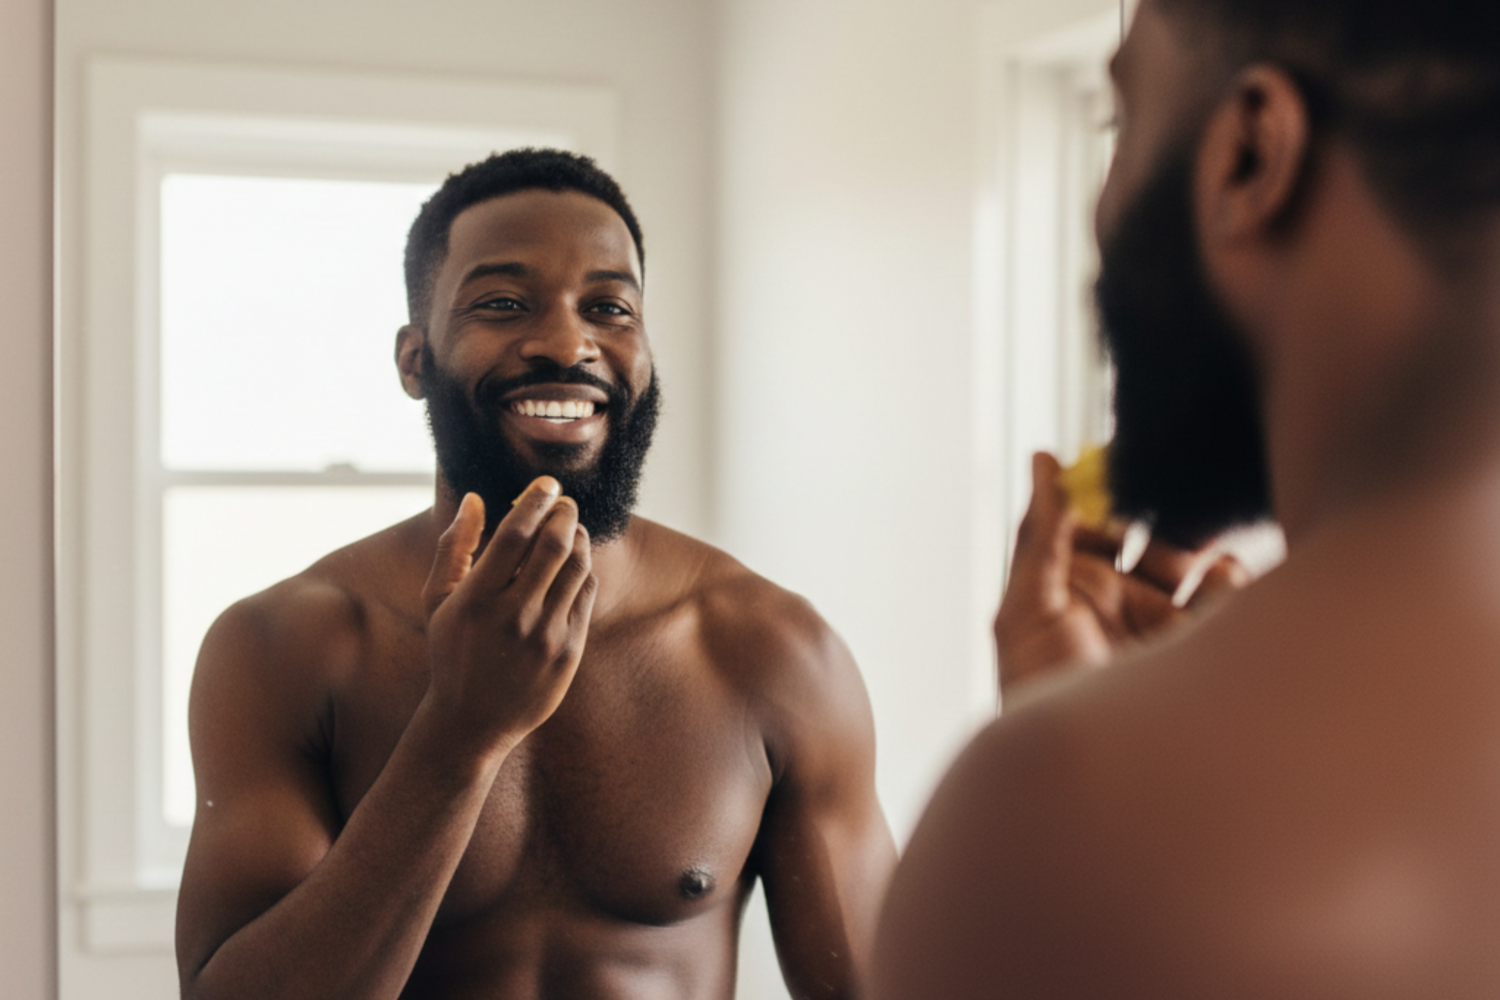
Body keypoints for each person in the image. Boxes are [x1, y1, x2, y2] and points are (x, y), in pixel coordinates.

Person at [874, 0, 1500, 996]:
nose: (1105, 197)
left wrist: (1109, 776)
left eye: (1122, 124)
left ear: (1250, 155)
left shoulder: (1053, 818)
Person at [175, 148, 895, 1000]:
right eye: (504, 303)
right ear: (415, 360)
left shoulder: (774, 652)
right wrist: (459, 732)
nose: (566, 341)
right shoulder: (284, 648)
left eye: (609, 308)